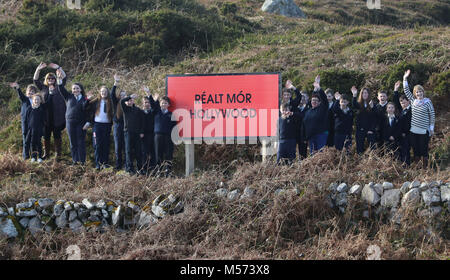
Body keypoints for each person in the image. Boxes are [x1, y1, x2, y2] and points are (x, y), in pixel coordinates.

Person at [33, 62, 67, 160]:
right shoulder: (43, 88)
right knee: (46, 137)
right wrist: (38, 69)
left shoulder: (59, 87)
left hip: (58, 117)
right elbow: (35, 80)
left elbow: (64, 77)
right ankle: (46, 154)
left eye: (52, 78)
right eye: (49, 79)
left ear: (55, 79)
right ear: (46, 80)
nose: (51, 80)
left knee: (57, 136)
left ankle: (58, 154)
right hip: (46, 117)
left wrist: (59, 67)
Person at [403, 69, 435, 167]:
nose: (419, 94)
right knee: (416, 150)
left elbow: (432, 114)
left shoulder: (427, 102)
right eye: (417, 92)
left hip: (424, 131)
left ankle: (425, 168)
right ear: (415, 94)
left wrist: (431, 128)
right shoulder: (413, 101)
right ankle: (417, 167)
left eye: (420, 92)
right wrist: (405, 78)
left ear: (423, 92)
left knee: (423, 150)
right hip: (413, 131)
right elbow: (406, 90)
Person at [56, 69, 88, 165]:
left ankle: (82, 161)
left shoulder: (85, 98)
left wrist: (88, 122)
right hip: (70, 122)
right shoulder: (68, 96)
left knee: (80, 142)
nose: (75, 90)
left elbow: (87, 111)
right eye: (74, 88)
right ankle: (75, 160)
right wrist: (59, 78)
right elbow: (60, 88)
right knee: (73, 143)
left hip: (81, 123)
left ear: (81, 89)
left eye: (77, 88)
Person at [86, 84, 114, 170]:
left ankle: (105, 163)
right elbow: (85, 107)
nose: (103, 93)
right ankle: (98, 164)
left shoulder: (110, 102)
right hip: (97, 125)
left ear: (107, 93)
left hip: (107, 125)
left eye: (105, 92)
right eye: (102, 91)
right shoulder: (96, 101)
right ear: (100, 93)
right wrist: (87, 99)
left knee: (105, 145)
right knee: (97, 145)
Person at [303, 75, 329, 155]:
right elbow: (304, 125)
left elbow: (324, 100)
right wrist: (305, 137)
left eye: (316, 101)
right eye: (312, 100)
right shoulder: (308, 111)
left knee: (320, 155)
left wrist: (319, 87)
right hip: (311, 137)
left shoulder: (322, 108)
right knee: (312, 155)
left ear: (319, 102)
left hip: (321, 135)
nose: (314, 101)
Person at [10, 82, 36, 160]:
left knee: (33, 140)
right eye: (29, 91)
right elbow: (20, 95)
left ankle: (34, 156)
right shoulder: (25, 99)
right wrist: (18, 88)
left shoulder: (36, 100)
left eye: (32, 91)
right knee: (25, 140)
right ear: (26, 92)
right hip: (25, 123)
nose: (30, 92)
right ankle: (26, 157)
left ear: (35, 93)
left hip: (33, 123)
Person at [153, 95, 177, 176]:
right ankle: (159, 171)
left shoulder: (171, 114)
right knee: (158, 153)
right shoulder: (156, 112)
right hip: (158, 135)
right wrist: (154, 98)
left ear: (168, 105)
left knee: (168, 153)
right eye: (162, 103)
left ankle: (168, 171)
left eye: (165, 103)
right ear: (160, 104)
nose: (163, 104)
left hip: (168, 136)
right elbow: (154, 105)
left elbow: (174, 127)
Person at [120, 93, 144, 174]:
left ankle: (140, 168)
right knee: (129, 151)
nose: (130, 102)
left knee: (138, 151)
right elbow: (121, 101)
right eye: (128, 101)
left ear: (134, 101)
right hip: (128, 132)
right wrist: (129, 97)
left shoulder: (137, 110)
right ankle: (130, 169)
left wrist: (141, 132)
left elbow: (142, 121)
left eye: (131, 100)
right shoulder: (125, 109)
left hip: (137, 133)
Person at [352, 86, 377, 154]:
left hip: (370, 130)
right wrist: (354, 95)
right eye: (363, 93)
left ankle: (371, 162)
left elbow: (375, 118)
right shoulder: (359, 104)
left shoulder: (373, 104)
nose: (364, 94)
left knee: (372, 149)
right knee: (359, 149)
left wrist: (371, 129)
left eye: (366, 93)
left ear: (369, 94)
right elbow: (354, 105)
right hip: (360, 130)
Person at [393, 81, 412, 165]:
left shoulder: (412, 110)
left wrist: (405, 132)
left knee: (406, 151)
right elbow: (396, 102)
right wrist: (395, 90)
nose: (402, 103)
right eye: (401, 102)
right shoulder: (401, 110)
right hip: (400, 135)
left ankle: (407, 166)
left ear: (408, 101)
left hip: (408, 135)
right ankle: (402, 166)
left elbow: (410, 124)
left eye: (404, 102)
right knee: (400, 151)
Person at [110, 75, 126, 170]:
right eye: (121, 95)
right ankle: (118, 165)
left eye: (125, 95)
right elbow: (112, 94)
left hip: (126, 127)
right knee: (118, 147)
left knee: (126, 147)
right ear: (119, 96)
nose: (123, 96)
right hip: (117, 126)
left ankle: (126, 165)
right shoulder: (116, 103)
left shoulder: (129, 105)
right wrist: (115, 83)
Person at [141, 86, 158, 175]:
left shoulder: (152, 111)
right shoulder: (140, 112)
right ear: (142, 104)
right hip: (143, 135)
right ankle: (144, 169)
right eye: (145, 102)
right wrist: (140, 132)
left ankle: (153, 169)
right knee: (144, 152)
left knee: (153, 152)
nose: (146, 104)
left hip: (152, 134)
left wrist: (149, 94)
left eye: (148, 102)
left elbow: (155, 107)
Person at [26, 94, 47, 163]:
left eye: (38, 99)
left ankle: (40, 157)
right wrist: (28, 128)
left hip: (39, 129)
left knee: (39, 143)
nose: (36, 101)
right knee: (32, 143)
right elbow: (27, 119)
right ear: (32, 100)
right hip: (31, 129)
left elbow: (44, 120)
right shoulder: (29, 108)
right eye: (35, 99)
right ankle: (33, 157)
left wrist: (42, 128)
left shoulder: (42, 109)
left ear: (40, 100)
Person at [296, 90, 310, 159]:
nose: (302, 98)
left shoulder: (310, 108)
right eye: (301, 97)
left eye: (304, 97)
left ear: (308, 98)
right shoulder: (295, 108)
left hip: (305, 134)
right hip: (296, 133)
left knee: (304, 153)